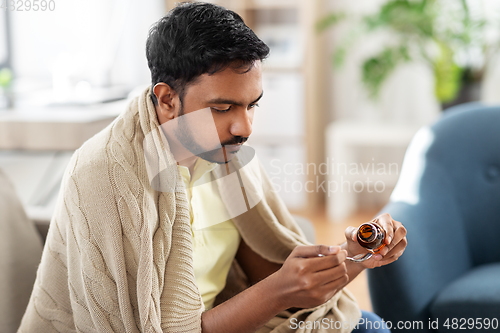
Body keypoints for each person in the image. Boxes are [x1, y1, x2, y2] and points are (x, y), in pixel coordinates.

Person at [19, 3, 407, 332]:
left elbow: (268, 275)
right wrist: (281, 290)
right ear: (167, 99)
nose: (244, 128)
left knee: (368, 325)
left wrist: (357, 255)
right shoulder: (105, 176)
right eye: (222, 108)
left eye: (251, 104)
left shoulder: (226, 159)